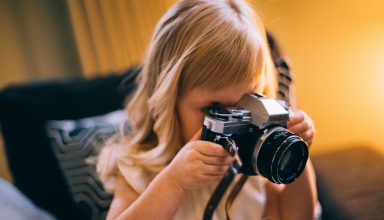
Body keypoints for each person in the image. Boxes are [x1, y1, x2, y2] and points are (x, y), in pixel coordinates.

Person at [97, 0, 318, 219]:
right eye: (214, 109)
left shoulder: (254, 164)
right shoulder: (141, 169)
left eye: (247, 102)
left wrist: (295, 154)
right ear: (169, 102)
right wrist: (174, 182)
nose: (234, 125)